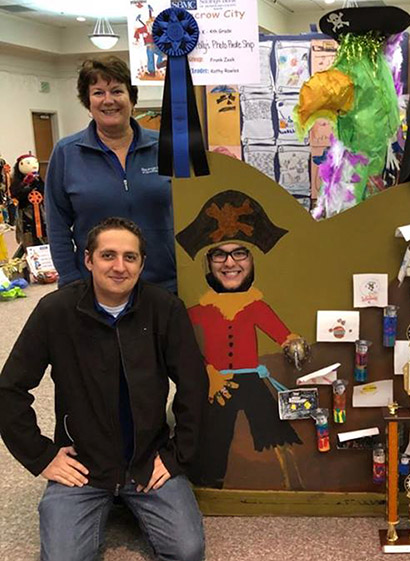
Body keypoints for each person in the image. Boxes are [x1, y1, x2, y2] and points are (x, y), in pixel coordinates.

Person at [0, 217, 207, 561]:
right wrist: (42, 456)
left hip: (147, 463)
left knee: (188, 551)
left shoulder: (164, 309)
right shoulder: (55, 311)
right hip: (83, 467)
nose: (119, 266)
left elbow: (194, 384)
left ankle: (127, 500)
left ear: (142, 264)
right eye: (108, 255)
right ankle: (107, 500)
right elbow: (9, 389)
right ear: (88, 260)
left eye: (130, 257)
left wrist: (175, 456)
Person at [176, 190, 304, 490]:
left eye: (239, 253)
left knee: (276, 433)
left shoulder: (255, 305)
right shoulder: (198, 311)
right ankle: (209, 487)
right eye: (219, 253)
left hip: (251, 382)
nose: (229, 262)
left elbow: (281, 332)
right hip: (216, 385)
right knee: (212, 438)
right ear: (208, 262)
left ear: (251, 259)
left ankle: (291, 483)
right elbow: (185, 349)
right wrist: (207, 372)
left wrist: (292, 342)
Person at [45, 56, 176, 293]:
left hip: (165, 283)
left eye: (117, 91)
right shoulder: (66, 153)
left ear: (132, 98)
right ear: (88, 101)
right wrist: (71, 280)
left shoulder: (166, 147)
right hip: (96, 288)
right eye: (98, 93)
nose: (108, 101)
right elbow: (57, 225)